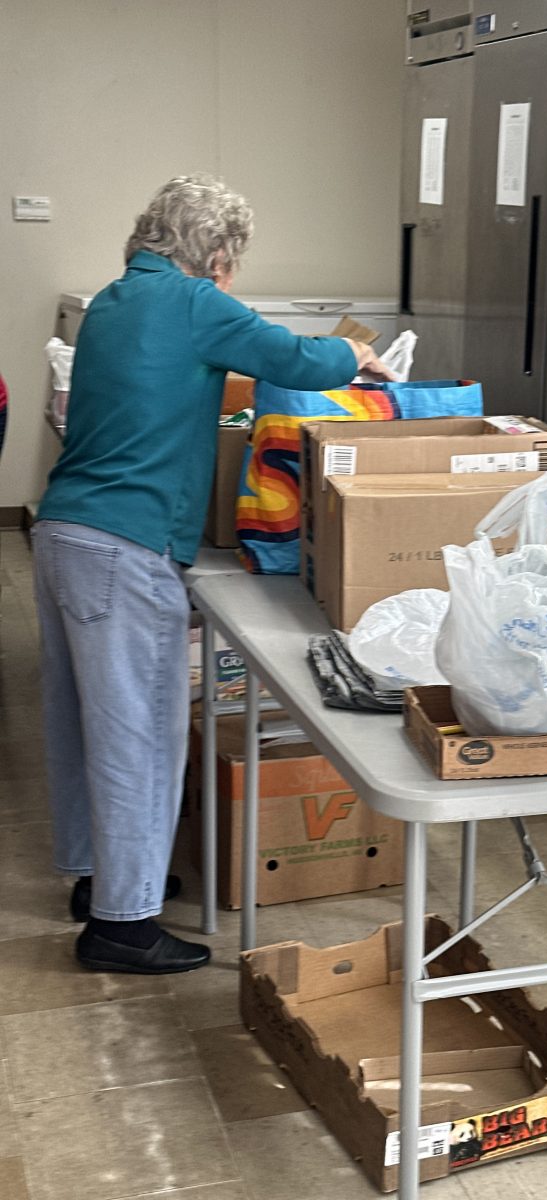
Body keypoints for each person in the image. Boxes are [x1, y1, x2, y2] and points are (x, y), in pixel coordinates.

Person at [31, 174, 394, 975]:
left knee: (84, 722)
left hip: (62, 535)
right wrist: (357, 354)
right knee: (139, 734)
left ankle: (101, 883)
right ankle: (123, 928)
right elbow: (293, 359)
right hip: (123, 548)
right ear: (219, 254)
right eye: (234, 262)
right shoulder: (195, 302)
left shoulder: (114, 302)